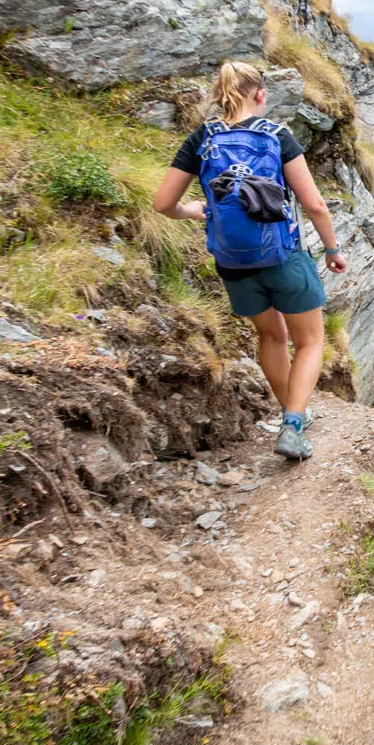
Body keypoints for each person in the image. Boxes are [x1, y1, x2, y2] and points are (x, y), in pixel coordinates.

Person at [153, 62, 348, 461]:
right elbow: (314, 204)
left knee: (270, 336)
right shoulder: (277, 136)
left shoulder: (202, 139)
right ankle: (294, 423)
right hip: (283, 255)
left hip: (233, 263)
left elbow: (163, 204)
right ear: (260, 94)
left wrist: (195, 211)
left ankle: (291, 412)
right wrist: (331, 250)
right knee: (310, 340)